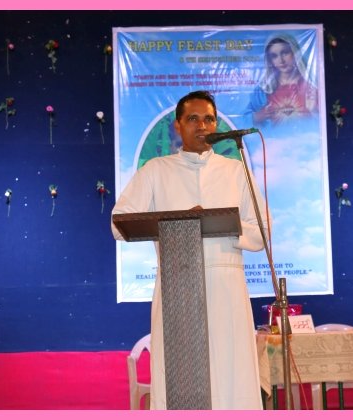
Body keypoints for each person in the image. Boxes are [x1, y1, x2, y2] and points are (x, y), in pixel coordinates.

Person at [111, 90, 270, 409]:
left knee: (230, 372)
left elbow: (262, 233)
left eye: (209, 119)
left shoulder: (235, 170)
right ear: (178, 125)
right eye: (193, 119)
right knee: (181, 381)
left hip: (226, 286)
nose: (202, 125)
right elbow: (119, 223)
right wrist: (180, 222)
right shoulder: (156, 170)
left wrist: (221, 224)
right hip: (178, 286)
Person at [247, 34, 318, 125]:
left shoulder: (311, 85)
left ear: (295, 53)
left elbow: (322, 121)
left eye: (285, 53)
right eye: (274, 56)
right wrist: (258, 116)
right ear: (270, 60)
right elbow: (240, 120)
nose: (281, 60)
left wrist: (313, 110)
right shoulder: (263, 90)